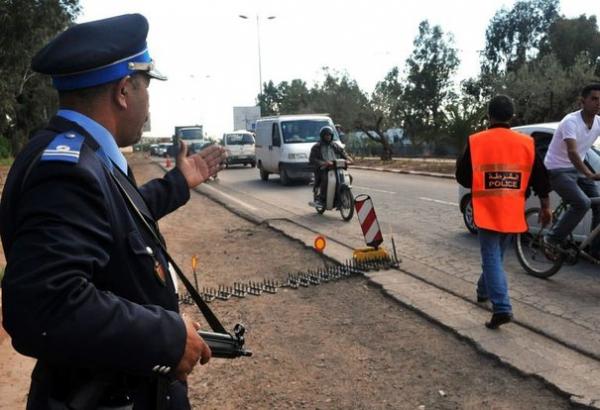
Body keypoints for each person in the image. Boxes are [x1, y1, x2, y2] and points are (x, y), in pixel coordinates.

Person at [0, 14, 226, 409]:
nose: (148, 101)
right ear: (124, 91)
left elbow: (117, 219)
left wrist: (178, 183)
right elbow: (42, 305)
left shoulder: (79, 155)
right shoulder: (67, 169)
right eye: (147, 88)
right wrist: (167, 337)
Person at [456, 95, 552, 329]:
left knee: (491, 256)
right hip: (512, 208)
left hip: (488, 209)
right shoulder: (526, 143)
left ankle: (502, 307)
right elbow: (540, 177)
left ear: (489, 116)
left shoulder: (476, 141)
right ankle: (482, 290)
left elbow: (463, 177)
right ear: (512, 117)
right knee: (496, 256)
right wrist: (545, 206)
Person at [543, 84, 600, 256]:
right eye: (594, 99)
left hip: (577, 170)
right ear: (582, 101)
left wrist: (585, 173)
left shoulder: (598, 122)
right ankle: (551, 238)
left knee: (599, 202)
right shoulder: (571, 121)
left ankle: (594, 249)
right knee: (582, 203)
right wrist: (589, 173)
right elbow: (572, 152)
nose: (598, 103)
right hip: (557, 169)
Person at [309, 125, 352, 206]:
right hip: (323, 169)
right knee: (326, 180)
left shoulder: (335, 145)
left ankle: (343, 194)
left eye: (329, 135)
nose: (328, 137)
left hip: (336, 167)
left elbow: (343, 153)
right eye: (326, 135)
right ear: (322, 136)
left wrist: (349, 159)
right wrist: (323, 163)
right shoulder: (317, 147)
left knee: (349, 177)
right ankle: (321, 199)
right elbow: (312, 159)